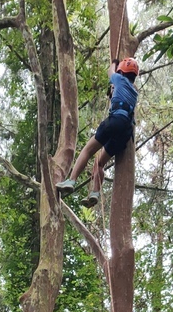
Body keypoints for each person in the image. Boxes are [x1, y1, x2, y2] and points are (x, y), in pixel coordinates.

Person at [55, 57, 139, 208]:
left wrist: (114, 62)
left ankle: (72, 180)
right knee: (99, 162)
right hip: (125, 131)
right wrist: (112, 93)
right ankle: (95, 193)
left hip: (114, 121)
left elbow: (110, 72)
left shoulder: (118, 78)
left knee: (88, 150)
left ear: (122, 72)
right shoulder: (134, 92)